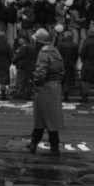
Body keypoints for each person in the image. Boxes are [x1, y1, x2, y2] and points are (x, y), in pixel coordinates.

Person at [26, 28, 64, 157]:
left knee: (43, 117)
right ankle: (35, 143)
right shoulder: (56, 51)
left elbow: (41, 72)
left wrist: (34, 81)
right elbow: (62, 71)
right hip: (55, 86)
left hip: (44, 88)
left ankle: (51, 147)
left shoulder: (43, 53)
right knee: (50, 116)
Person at [57, 31, 79, 102]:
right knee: (67, 80)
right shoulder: (75, 45)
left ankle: (59, 95)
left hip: (62, 64)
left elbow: (58, 55)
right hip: (71, 64)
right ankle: (66, 95)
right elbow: (76, 56)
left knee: (60, 80)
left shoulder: (61, 45)